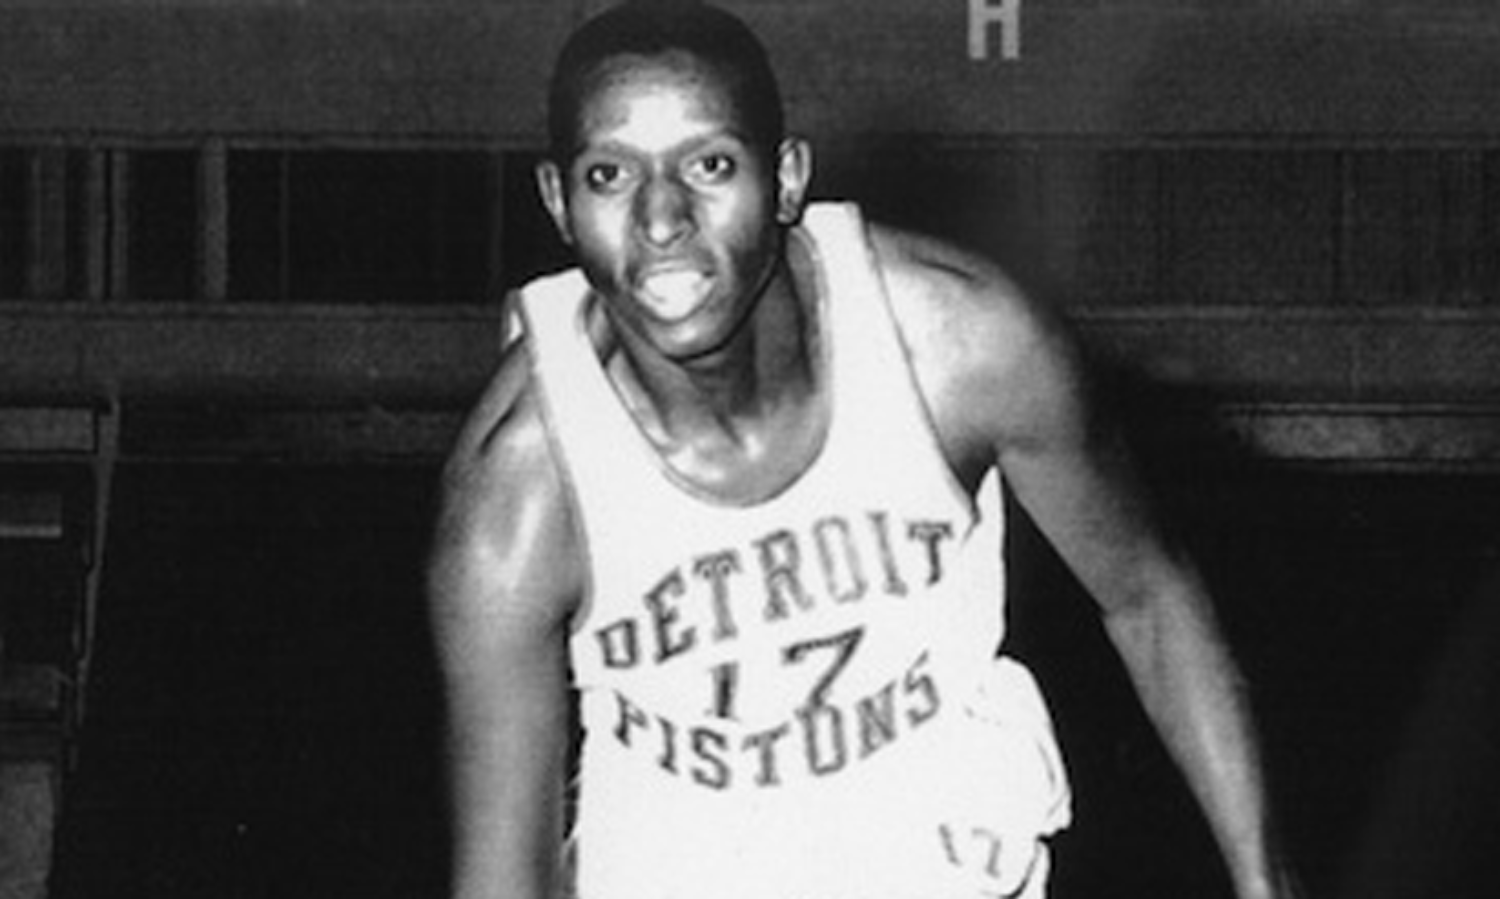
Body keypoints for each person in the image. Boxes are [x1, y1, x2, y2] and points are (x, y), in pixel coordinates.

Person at [427, 1, 1301, 897]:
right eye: (609, 174)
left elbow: (1148, 595)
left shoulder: (960, 345)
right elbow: (501, 874)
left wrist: (1265, 881)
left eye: (710, 164)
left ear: (786, 180)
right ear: (558, 202)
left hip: (932, 850)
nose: (661, 218)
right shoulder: (521, 490)